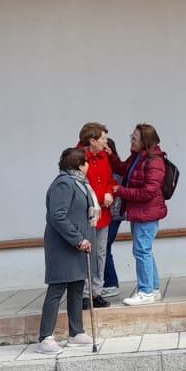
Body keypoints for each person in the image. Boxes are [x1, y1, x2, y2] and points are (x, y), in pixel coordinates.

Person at [36, 147, 95, 356]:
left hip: (77, 245)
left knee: (77, 285)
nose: (89, 165)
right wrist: (78, 239)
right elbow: (58, 216)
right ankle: (45, 337)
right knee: (57, 289)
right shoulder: (64, 183)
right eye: (86, 162)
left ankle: (76, 332)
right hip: (63, 245)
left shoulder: (78, 184)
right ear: (79, 165)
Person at [115, 124, 168, 307]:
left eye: (134, 138)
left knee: (142, 250)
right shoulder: (138, 157)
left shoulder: (154, 161)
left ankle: (145, 291)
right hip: (139, 212)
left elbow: (148, 192)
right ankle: (153, 289)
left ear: (145, 141)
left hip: (147, 213)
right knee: (144, 250)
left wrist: (121, 191)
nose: (131, 140)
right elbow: (123, 169)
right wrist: (110, 154)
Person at [76, 123, 120, 309]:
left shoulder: (104, 156)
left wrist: (110, 193)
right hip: (86, 215)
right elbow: (79, 185)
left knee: (101, 253)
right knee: (87, 254)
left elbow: (110, 179)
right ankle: (85, 294)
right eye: (102, 138)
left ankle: (97, 292)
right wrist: (102, 197)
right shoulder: (78, 157)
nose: (105, 141)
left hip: (104, 214)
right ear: (92, 141)